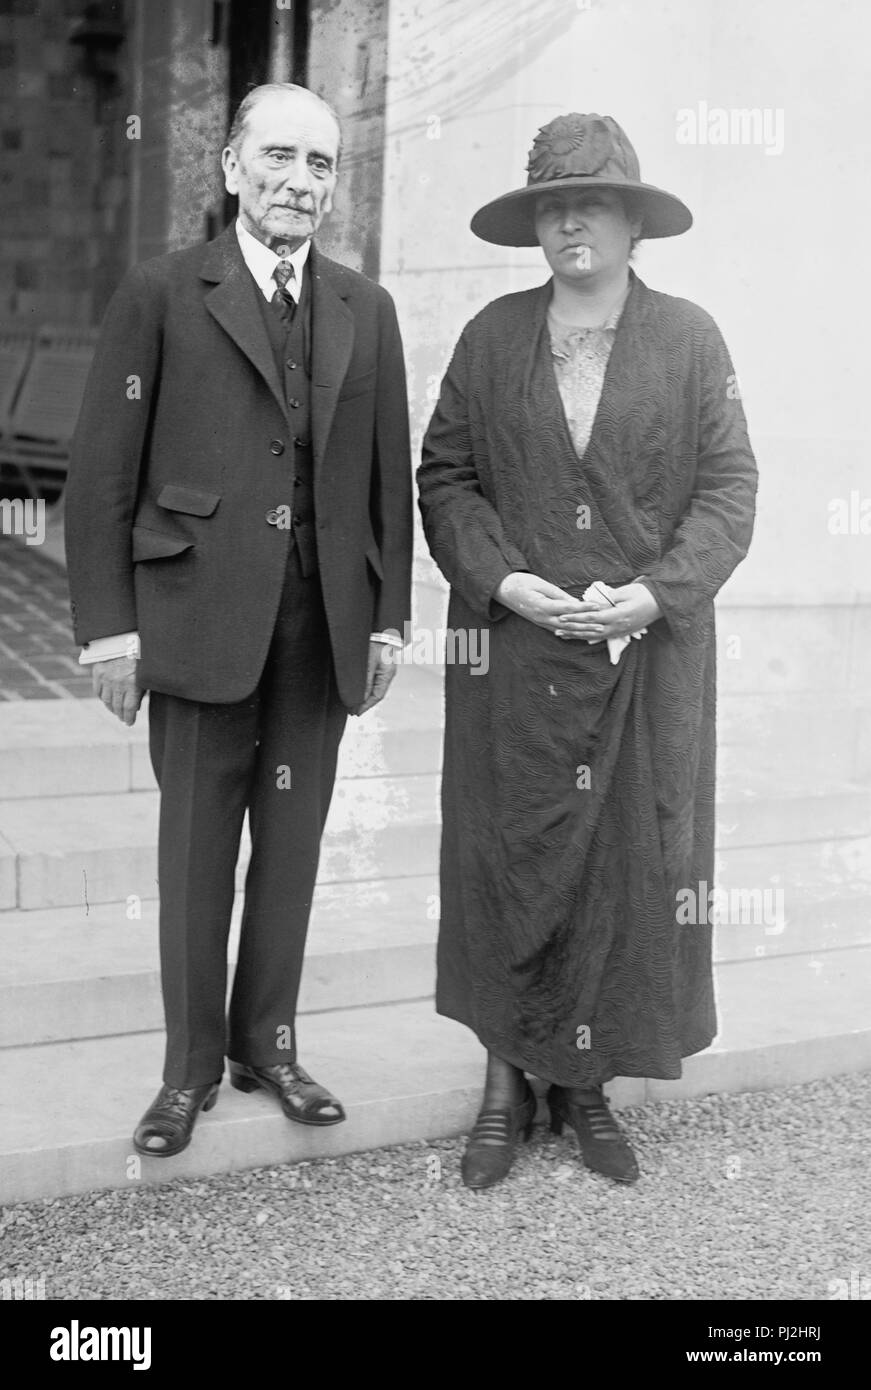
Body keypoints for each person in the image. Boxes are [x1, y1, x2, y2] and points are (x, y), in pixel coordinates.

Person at [64, 83, 412, 1157]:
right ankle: (186, 1071)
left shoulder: (368, 307)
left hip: (322, 624)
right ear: (230, 166)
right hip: (197, 616)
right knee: (197, 850)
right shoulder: (162, 293)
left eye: (320, 164)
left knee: (296, 845)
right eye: (278, 157)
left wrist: (390, 616)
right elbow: (101, 474)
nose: (299, 181)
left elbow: (384, 480)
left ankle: (271, 1041)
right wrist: (108, 630)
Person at [417, 113, 757, 1188]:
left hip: (640, 663)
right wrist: (502, 579)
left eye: (592, 202)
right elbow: (446, 476)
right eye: (551, 205)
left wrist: (652, 596)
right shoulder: (489, 337)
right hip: (512, 660)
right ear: (535, 225)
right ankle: (503, 1083)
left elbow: (729, 488)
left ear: (630, 222)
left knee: (622, 869)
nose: (570, 220)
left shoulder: (691, 339)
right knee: (506, 861)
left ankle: (586, 1082)